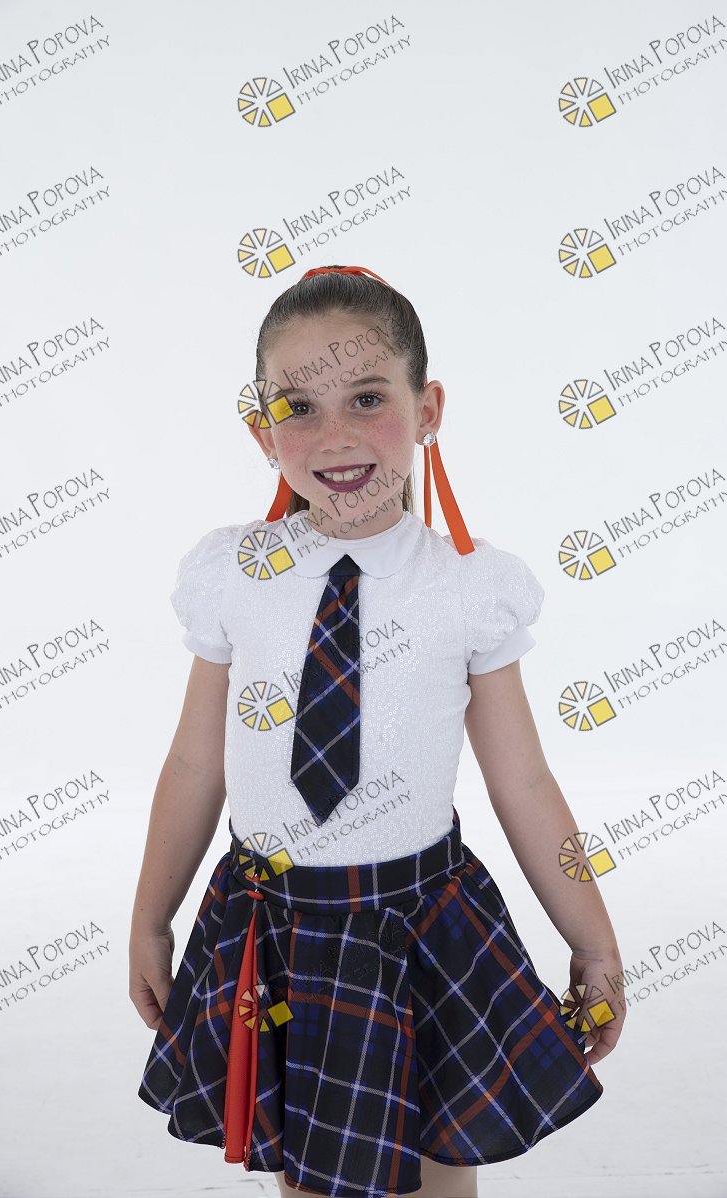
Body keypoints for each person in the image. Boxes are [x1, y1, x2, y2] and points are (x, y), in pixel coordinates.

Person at [130, 264, 625, 1198]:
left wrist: (594, 942)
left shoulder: (468, 590)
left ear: (427, 408)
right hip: (275, 928)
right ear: (261, 429)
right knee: (311, 1177)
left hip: (420, 931)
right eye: (298, 407)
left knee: (438, 1171)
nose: (336, 437)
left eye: (367, 398)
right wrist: (150, 918)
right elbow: (197, 762)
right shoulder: (233, 576)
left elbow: (523, 783)